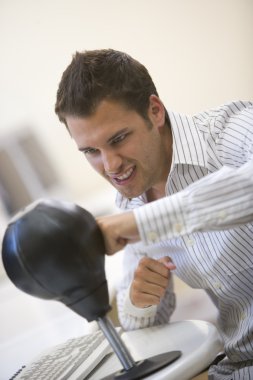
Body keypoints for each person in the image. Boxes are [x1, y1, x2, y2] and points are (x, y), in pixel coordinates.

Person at [55, 48, 253, 380]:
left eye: (118, 139)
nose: (111, 166)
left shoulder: (232, 130)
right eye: (91, 151)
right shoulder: (131, 203)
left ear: (155, 111)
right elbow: (142, 325)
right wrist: (139, 300)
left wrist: (141, 223)